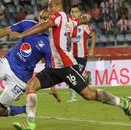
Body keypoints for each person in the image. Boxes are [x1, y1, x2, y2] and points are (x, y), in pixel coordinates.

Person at [10, 0, 131, 130]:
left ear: (57, 5)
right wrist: (84, 19)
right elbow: (78, 22)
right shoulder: (67, 20)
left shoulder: (58, 16)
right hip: (53, 68)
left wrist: (22, 34)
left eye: (50, 6)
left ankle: (124, 103)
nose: (49, 9)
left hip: (67, 67)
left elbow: (43, 26)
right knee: (31, 85)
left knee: (89, 95)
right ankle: (30, 123)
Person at [0, 9, 52, 125]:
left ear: (50, 22)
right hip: (7, 62)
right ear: (38, 18)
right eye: (42, 17)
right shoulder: (27, 24)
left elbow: (49, 68)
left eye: (46, 19)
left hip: (20, 78)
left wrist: (51, 87)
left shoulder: (48, 43)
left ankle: (25, 109)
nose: (43, 21)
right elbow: (7, 30)